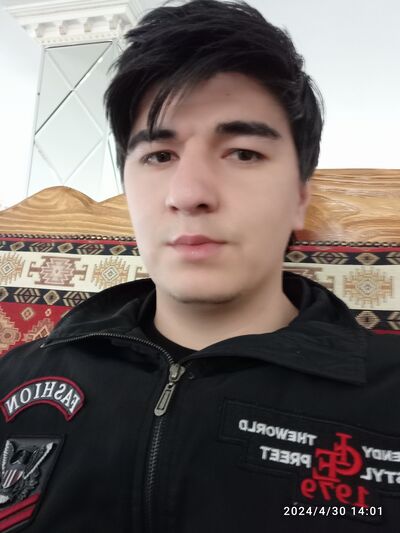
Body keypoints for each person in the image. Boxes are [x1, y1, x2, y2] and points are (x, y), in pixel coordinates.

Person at [1, 0, 400, 531]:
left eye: (243, 153)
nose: (188, 194)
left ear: (300, 198)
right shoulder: (16, 377)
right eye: (159, 156)